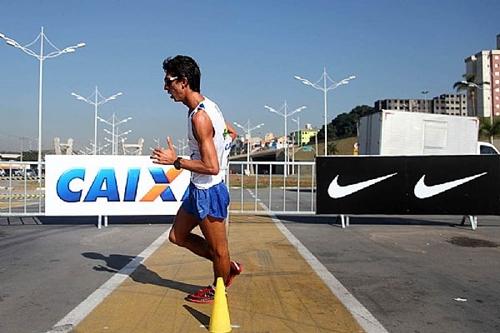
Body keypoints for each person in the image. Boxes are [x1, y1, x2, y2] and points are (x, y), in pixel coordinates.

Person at [151, 55, 242, 304]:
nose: (165, 88)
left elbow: (211, 167)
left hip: (209, 190)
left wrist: (176, 161)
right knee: (177, 237)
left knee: (218, 250)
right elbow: (231, 133)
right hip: (196, 188)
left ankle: (218, 288)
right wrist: (222, 145)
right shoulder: (209, 106)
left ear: (183, 81)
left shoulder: (199, 117)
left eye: (168, 82)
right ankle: (228, 267)